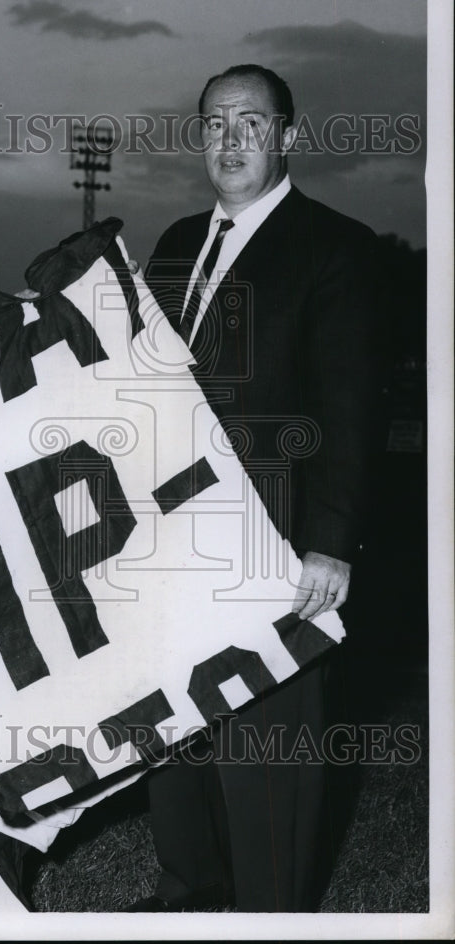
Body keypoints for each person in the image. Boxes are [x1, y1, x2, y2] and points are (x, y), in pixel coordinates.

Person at [133, 64, 383, 912]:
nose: (229, 139)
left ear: (287, 137)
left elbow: (350, 408)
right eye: (213, 122)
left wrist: (330, 539)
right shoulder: (173, 245)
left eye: (250, 121)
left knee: (265, 742)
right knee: (177, 728)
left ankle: (268, 916)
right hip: (171, 538)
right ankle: (189, 888)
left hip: (273, 541)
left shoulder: (334, 247)